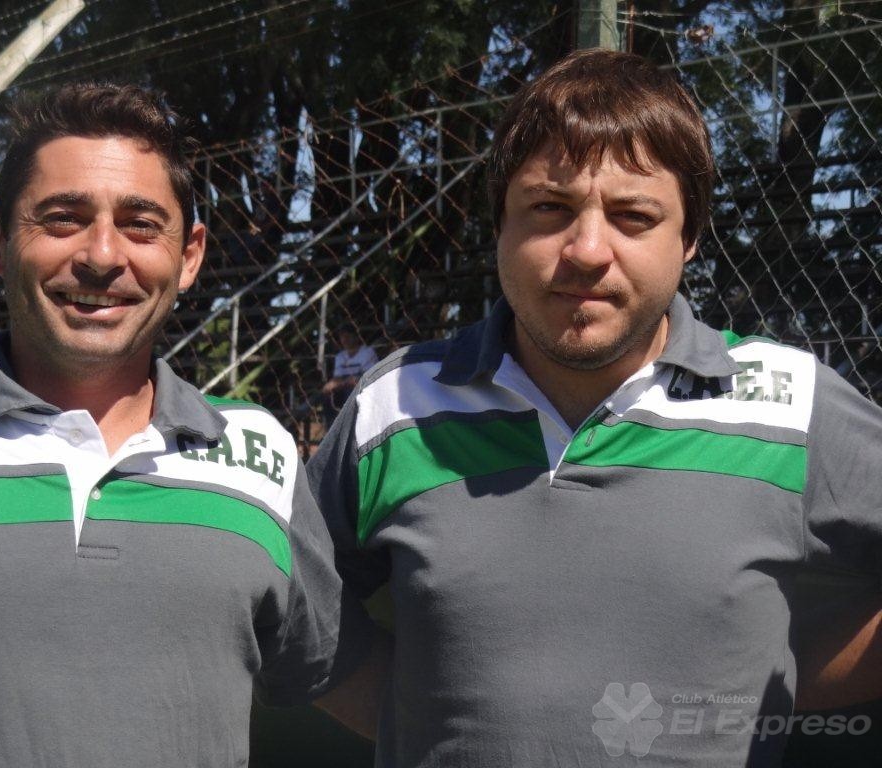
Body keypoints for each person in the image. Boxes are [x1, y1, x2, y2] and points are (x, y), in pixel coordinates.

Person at [308, 49, 882, 766]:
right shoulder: (394, 405)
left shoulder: (790, 404)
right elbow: (296, 604)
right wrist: (417, 716)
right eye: (549, 208)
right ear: (499, 224)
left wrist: (765, 678)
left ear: (689, 238)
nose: (586, 250)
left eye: (633, 216)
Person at [0, 83, 383, 766]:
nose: (103, 255)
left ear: (188, 256)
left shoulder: (260, 457)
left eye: (141, 224)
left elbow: (373, 688)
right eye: (62, 219)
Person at [320, 322, 378, 427]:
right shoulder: (340, 356)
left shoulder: (367, 352)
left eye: (348, 336)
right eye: (342, 336)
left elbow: (368, 377)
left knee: (351, 392)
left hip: (362, 387)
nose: (345, 339)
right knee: (327, 395)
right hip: (344, 387)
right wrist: (331, 385)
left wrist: (342, 382)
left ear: (356, 336)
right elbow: (337, 378)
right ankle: (331, 428)